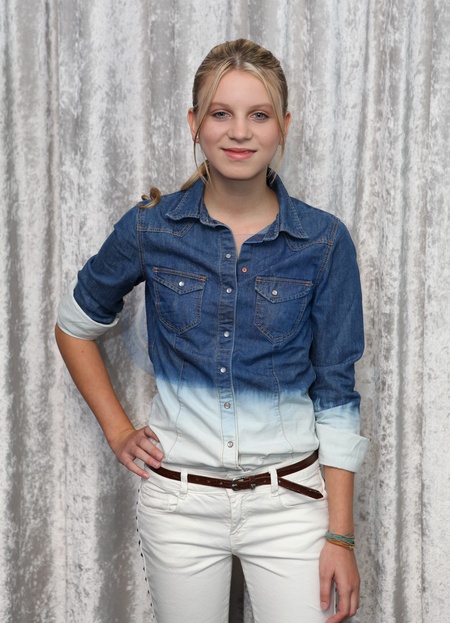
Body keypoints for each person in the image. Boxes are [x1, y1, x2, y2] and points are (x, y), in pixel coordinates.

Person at [55, 38, 369, 623]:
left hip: (290, 502)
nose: (239, 132)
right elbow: (74, 326)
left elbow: (336, 392)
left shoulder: (324, 241)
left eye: (259, 115)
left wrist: (341, 537)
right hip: (178, 504)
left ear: (284, 126)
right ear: (195, 124)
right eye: (221, 113)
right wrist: (118, 430)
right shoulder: (151, 229)